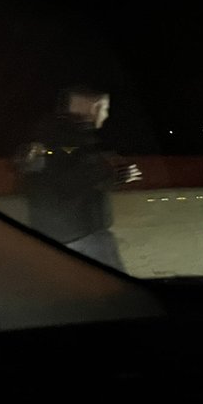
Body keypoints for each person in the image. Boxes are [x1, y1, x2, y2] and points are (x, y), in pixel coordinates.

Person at [16, 86, 142, 269]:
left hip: (52, 232)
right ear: (94, 107)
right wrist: (119, 174)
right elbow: (77, 178)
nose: (105, 115)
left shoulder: (47, 133)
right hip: (84, 234)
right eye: (105, 108)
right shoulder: (74, 137)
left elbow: (39, 174)